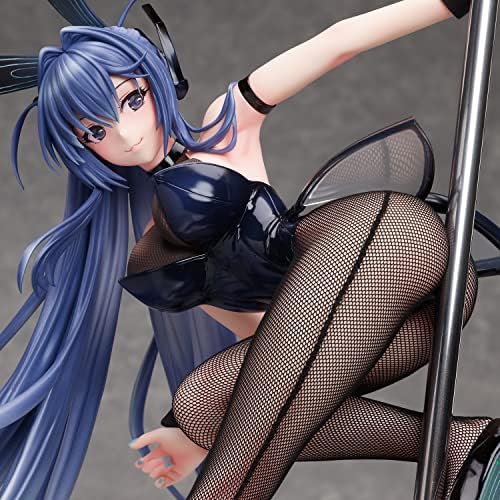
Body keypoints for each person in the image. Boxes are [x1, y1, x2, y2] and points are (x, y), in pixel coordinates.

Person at [0, 1, 498, 499]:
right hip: (377, 334)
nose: (126, 135)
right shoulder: (158, 251)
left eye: (132, 100)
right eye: (95, 132)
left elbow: (336, 42)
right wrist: (204, 433)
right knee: (200, 403)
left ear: (155, 78)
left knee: (226, 410)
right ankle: (465, 444)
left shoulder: (227, 124)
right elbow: (263, 340)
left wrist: (446, 3)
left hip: (394, 247)